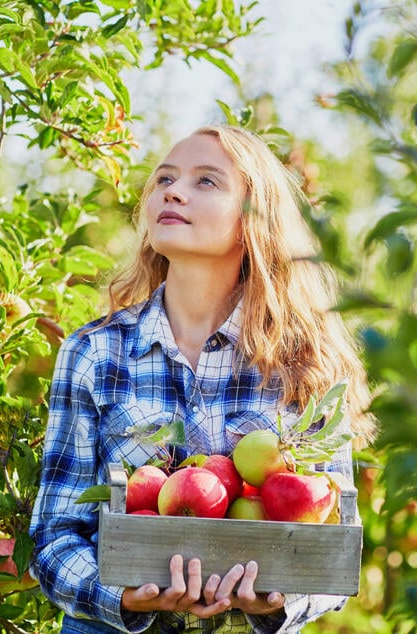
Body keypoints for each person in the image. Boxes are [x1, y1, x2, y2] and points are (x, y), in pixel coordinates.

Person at [29, 124, 377, 633]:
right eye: (165, 179)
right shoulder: (95, 352)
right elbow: (55, 532)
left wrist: (281, 599)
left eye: (206, 181)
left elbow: (334, 542)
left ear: (253, 219)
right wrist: (123, 595)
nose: (173, 190)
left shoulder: (304, 362)